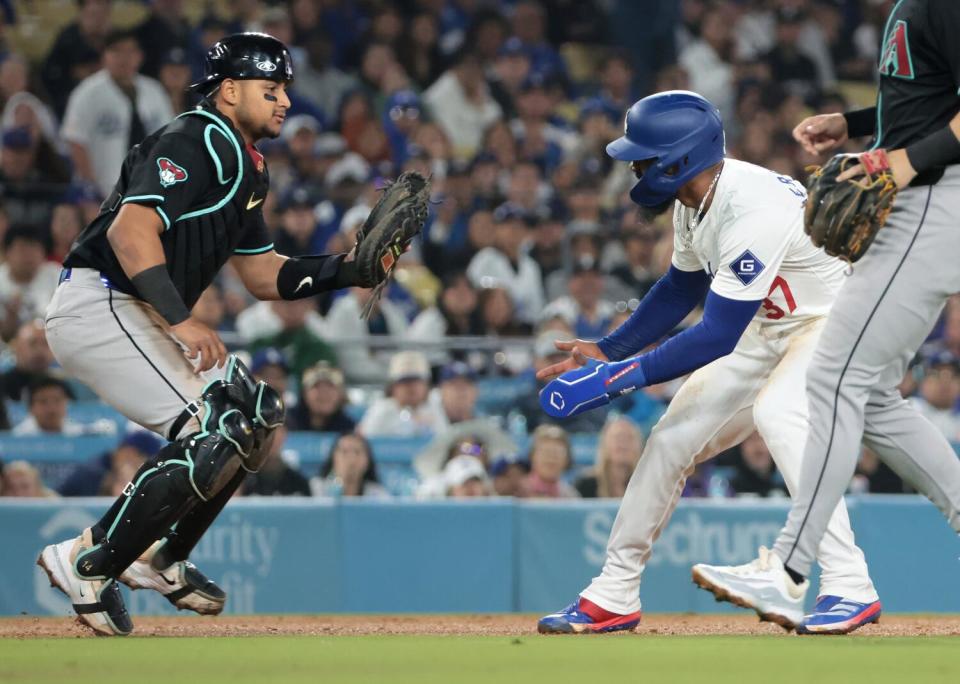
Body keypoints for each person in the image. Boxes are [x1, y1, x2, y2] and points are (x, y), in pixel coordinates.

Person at [36, 33, 376, 637]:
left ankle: (162, 559)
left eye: (284, 92)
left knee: (258, 416)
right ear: (228, 91)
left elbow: (264, 276)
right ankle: (88, 560)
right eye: (270, 90)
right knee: (216, 427)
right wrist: (181, 317)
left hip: (137, 308)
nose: (284, 103)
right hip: (101, 302)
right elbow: (129, 233)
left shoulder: (243, 162)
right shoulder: (196, 138)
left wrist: (349, 269)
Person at [536, 91, 880, 636]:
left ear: (679, 158)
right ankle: (613, 593)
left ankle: (848, 583)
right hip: (769, 327)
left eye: (643, 158)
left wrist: (615, 380)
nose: (635, 168)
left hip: (836, 323)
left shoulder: (752, 208)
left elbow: (716, 334)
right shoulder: (695, 198)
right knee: (671, 438)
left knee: (779, 414)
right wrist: (610, 349)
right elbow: (680, 286)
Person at [693, 0, 960, 634]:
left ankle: (787, 569)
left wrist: (899, 160)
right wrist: (860, 123)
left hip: (932, 198)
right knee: (865, 394)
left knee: (834, 380)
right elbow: (931, 95)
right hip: (920, 198)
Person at [60, 29, 175, 198]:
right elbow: (76, 141)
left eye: (130, 51)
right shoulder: (87, 92)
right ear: (104, 55)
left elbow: (170, 140)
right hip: (101, 191)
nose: (124, 58)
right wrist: (91, 189)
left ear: (140, 56)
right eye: (117, 51)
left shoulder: (154, 91)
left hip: (148, 191)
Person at [358, 351, 448, 437]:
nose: (411, 387)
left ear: (426, 385)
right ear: (393, 387)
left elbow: (444, 441)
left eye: (416, 381)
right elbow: (366, 440)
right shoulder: (381, 409)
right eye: (404, 382)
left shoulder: (435, 406)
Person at [574, 417, 643, 499]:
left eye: (629, 438)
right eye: (618, 437)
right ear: (604, 444)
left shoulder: (647, 485)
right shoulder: (585, 485)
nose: (623, 444)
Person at [310, 432, 390, 498]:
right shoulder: (316, 490)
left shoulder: (379, 496)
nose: (351, 459)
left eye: (357, 452)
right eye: (344, 452)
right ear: (333, 458)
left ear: (367, 461)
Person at [287, 361, 356, 433]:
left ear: (341, 394)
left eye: (330, 386)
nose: (324, 393)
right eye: (316, 386)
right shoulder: (286, 423)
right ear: (304, 393)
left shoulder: (350, 429)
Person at [518, 424, 579, 499]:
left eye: (556, 454)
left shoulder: (571, 496)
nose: (551, 459)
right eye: (546, 452)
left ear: (567, 460)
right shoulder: (517, 491)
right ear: (532, 456)